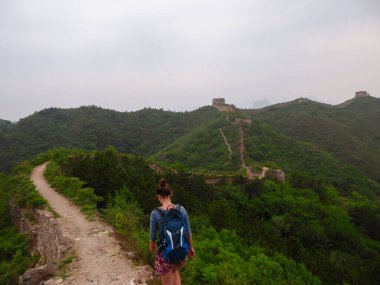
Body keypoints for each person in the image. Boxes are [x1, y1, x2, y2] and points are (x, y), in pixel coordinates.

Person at [149, 178, 195, 285]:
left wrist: (152, 247)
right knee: (174, 271)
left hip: (165, 254)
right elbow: (188, 232)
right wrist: (191, 248)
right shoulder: (181, 209)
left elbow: (152, 238)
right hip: (180, 251)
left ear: (158, 196)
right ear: (171, 193)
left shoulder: (155, 214)